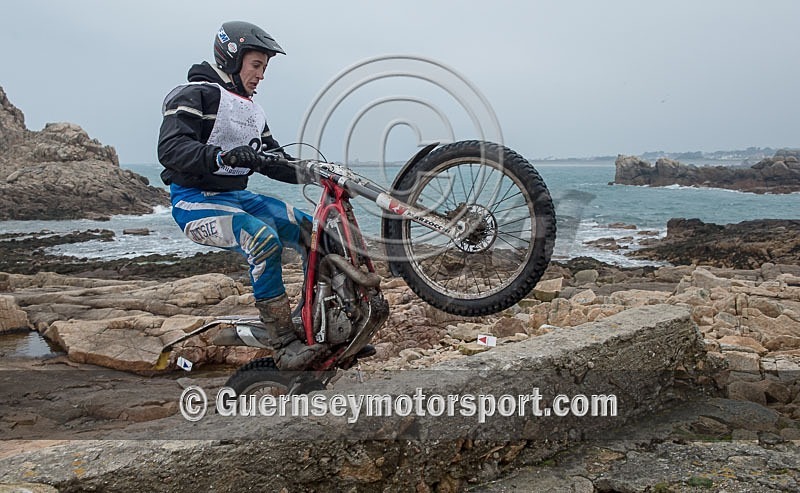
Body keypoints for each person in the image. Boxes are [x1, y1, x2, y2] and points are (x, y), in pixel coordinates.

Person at [157, 21, 326, 370]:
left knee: (315, 230)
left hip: (237, 199)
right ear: (232, 58)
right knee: (262, 239)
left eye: (265, 67)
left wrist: (314, 172)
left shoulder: (251, 110)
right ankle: (282, 342)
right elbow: (171, 148)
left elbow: (273, 161)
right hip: (195, 201)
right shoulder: (193, 94)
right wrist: (218, 155)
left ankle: (320, 323)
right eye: (256, 65)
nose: (262, 75)